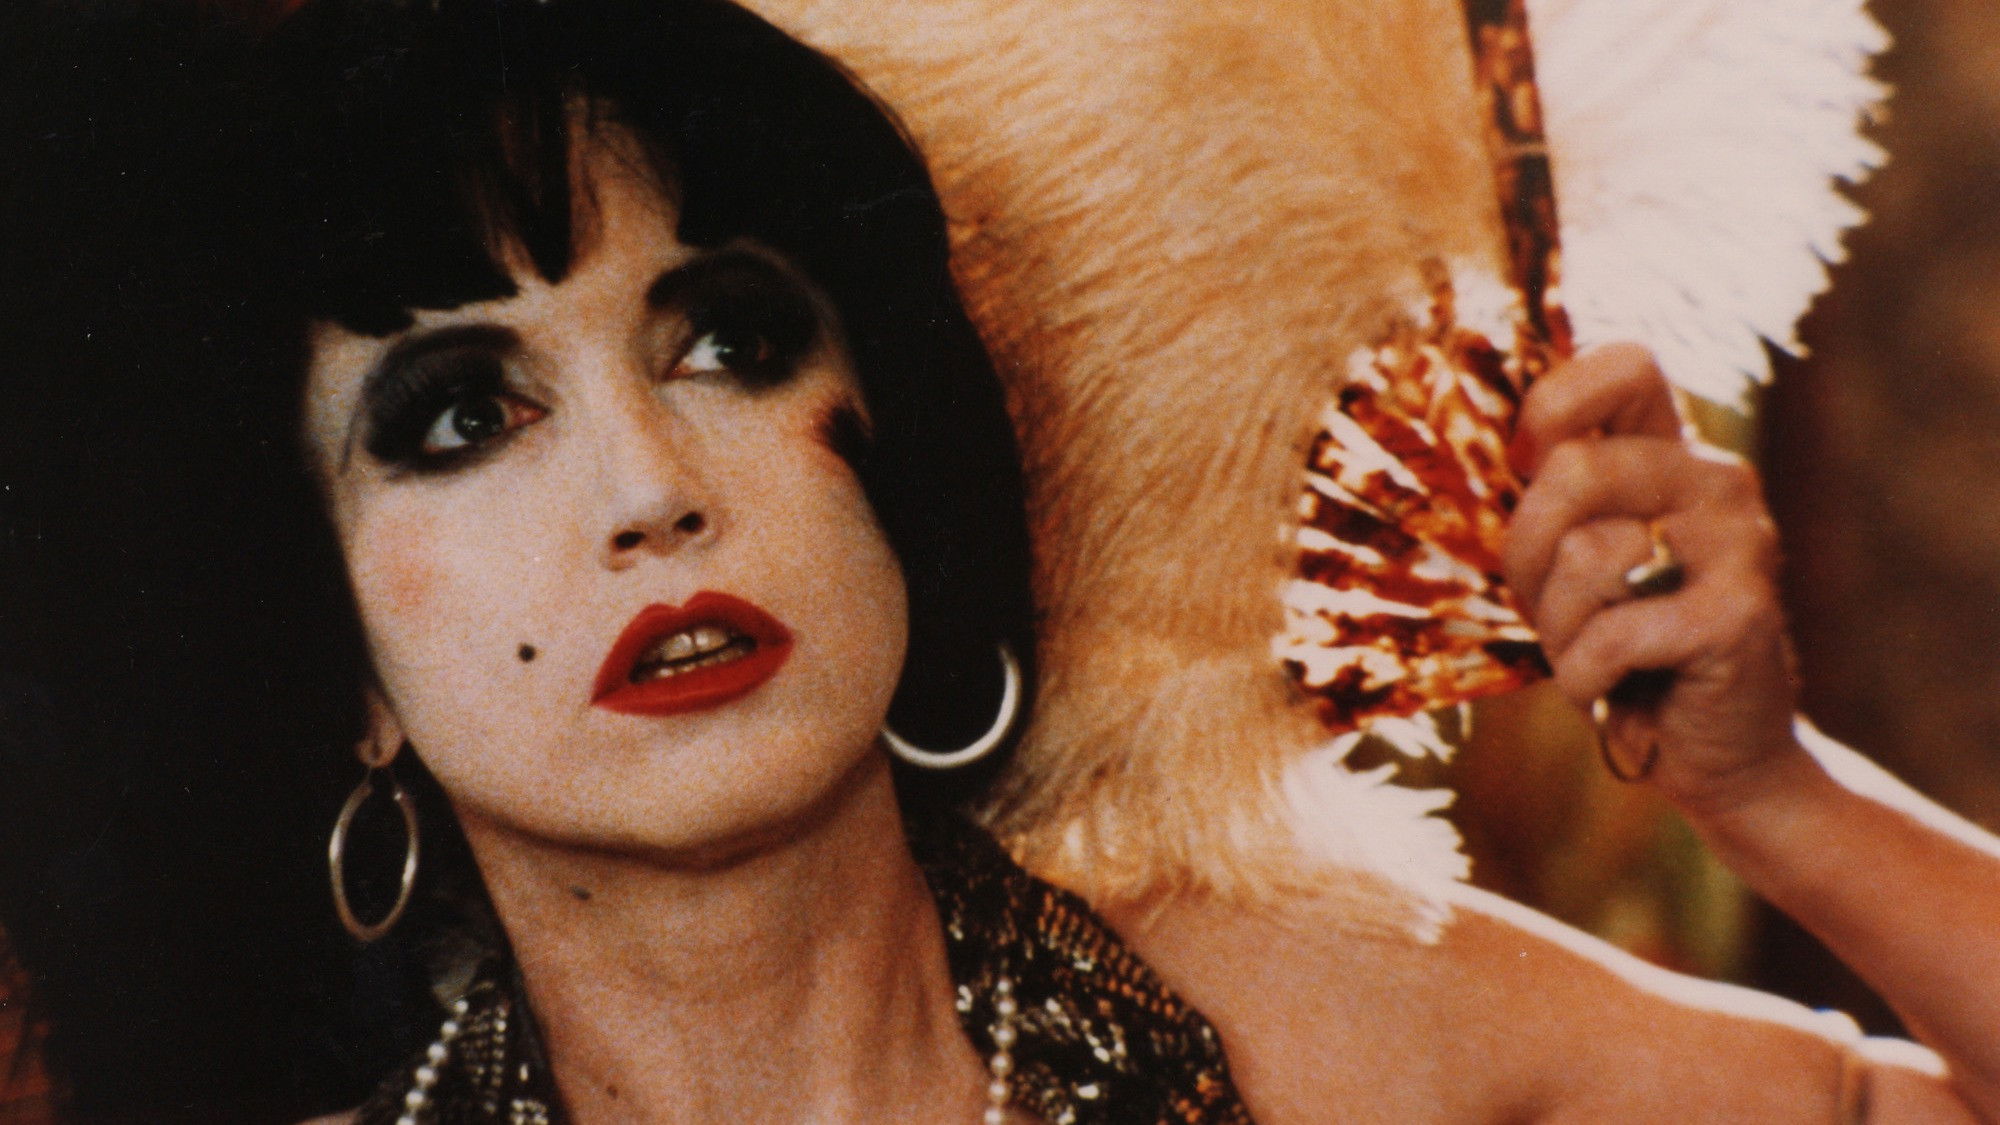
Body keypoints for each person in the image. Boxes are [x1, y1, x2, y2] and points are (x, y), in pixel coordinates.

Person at [2, 0, 2000, 1122]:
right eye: (459, 416)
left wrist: (1776, 793)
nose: (650, 486)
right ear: (339, 660)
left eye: (728, 339)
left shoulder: (1312, 1028)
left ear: (896, 449)